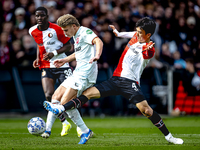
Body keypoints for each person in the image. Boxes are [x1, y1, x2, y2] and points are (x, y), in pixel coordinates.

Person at [44, 17, 184, 145]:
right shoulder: (136, 35)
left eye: (141, 33)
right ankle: (63, 110)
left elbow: (147, 53)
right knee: (87, 93)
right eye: (137, 31)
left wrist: (146, 49)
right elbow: (130, 33)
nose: (137, 34)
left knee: (146, 110)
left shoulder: (149, 48)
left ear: (148, 35)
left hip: (130, 83)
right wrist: (118, 33)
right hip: (115, 79)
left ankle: (169, 136)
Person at [43, 14, 103, 144]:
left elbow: (98, 41)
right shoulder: (76, 36)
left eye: (65, 30)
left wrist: (97, 55)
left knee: (65, 102)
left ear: (74, 26)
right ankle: (47, 130)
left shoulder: (85, 32)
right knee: (55, 97)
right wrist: (64, 59)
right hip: (77, 72)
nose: (64, 33)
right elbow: (79, 53)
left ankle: (84, 131)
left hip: (85, 75)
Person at [29, 7, 83, 139]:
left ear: (47, 16)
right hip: (46, 66)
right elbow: (39, 44)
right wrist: (38, 57)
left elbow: (69, 46)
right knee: (49, 96)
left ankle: (80, 128)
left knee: (68, 98)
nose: (39, 18)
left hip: (62, 65)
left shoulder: (56, 29)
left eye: (42, 16)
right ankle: (64, 122)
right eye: (37, 16)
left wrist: (53, 53)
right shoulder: (32, 31)